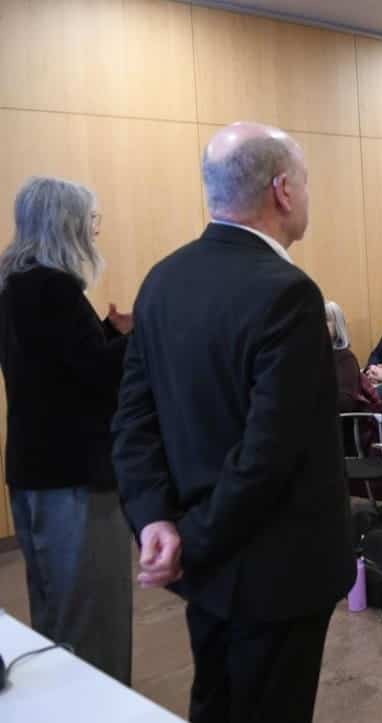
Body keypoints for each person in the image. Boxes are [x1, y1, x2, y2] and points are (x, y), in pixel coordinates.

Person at [112, 122, 353, 723]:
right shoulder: (289, 293)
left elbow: (133, 421)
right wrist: (190, 541)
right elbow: (269, 454)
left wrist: (156, 522)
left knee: (216, 701)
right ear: (283, 191)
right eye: (305, 181)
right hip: (275, 572)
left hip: (202, 565)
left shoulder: (161, 281)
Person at [0, 176, 133, 684]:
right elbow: (95, 377)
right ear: (66, 223)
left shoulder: (13, 287)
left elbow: (56, 368)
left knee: (52, 609)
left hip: (32, 468)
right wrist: (138, 336)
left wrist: (106, 333)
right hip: (75, 475)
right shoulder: (55, 289)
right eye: (89, 219)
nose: (94, 230)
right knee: (92, 619)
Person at [327, 300, 366, 414]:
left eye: (325, 319)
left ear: (337, 326)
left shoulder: (345, 358)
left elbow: (345, 404)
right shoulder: (309, 357)